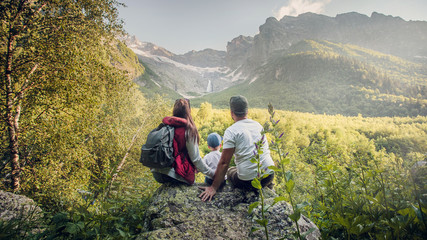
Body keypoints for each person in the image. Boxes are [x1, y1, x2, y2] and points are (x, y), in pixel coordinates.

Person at [199, 95, 275, 201]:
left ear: (231, 112)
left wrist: (213, 187)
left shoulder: (231, 131)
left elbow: (224, 163)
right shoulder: (258, 126)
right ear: (247, 111)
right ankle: (269, 190)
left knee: (231, 172)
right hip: (269, 175)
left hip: (249, 181)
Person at [152, 98, 215, 185]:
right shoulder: (188, 130)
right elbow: (196, 159)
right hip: (173, 174)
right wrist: (212, 174)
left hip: (157, 173)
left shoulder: (165, 126)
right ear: (189, 111)